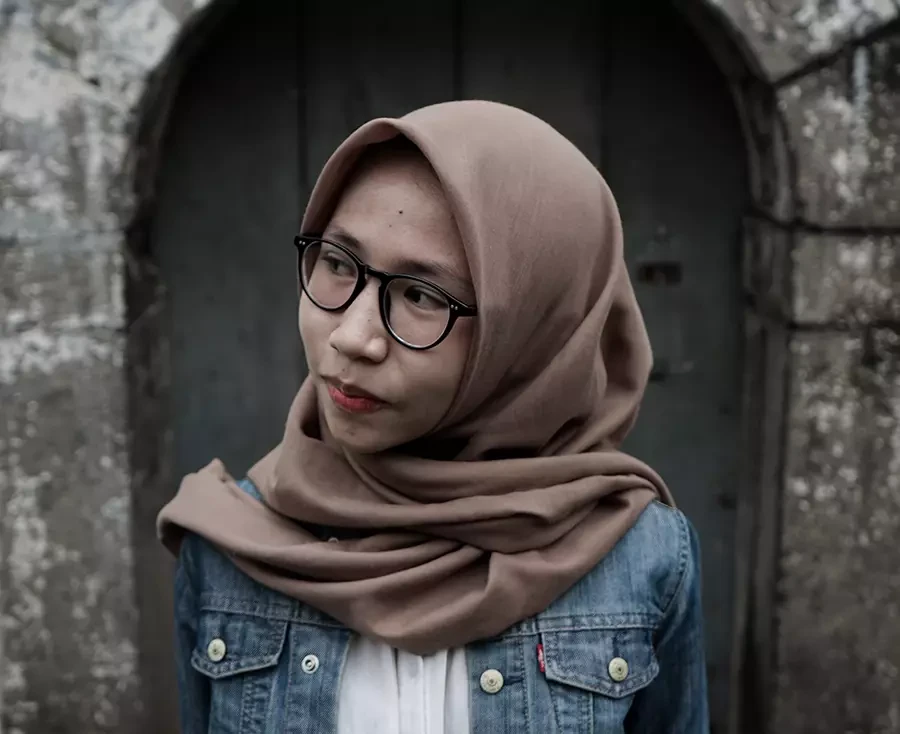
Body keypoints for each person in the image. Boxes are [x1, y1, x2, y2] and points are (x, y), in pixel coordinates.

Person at [158, 100, 709, 734]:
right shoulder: (228, 552)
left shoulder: (643, 559)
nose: (352, 337)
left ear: (531, 336)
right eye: (337, 263)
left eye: (421, 296)